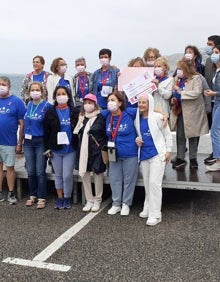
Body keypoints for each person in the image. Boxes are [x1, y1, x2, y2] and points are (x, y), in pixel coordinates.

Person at [135, 93, 172, 226]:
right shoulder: (137, 118)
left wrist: (169, 150)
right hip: (144, 155)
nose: (141, 105)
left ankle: (156, 215)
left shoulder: (158, 117)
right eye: (139, 102)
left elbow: (167, 134)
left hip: (158, 155)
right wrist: (137, 140)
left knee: (155, 184)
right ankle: (148, 206)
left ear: (150, 103)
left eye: (144, 102)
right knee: (147, 184)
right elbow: (138, 135)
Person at [101, 91, 139, 216]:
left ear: (120, 102)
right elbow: (92, 113)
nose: (110, 103)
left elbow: (147, 110)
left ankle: (126, 204)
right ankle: (116, 203)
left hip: (130, 153)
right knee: (114, 179)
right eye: (108, 101)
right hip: (113, 153)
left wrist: (163, 115)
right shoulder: (107, 114)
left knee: (129, 180)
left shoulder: (129, 112)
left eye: (113, 100)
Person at [43, 86, 79, 209]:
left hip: (70, 149)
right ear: (55, 97)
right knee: (58, 175)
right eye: (58, 94)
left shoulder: (75, 111)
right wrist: (47, 148)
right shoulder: (50, 112)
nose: (61, 96)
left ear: (68, 96)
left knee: (67, 175)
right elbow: (46, 132)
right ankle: (60, 197)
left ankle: (67, 197)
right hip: (55, 149)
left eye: (63, 93)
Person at [171, 58, 209, 169]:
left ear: (186, 69)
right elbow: (173, 94)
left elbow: (197, 93)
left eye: (180, 69)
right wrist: (173, 99)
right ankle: (180, 157)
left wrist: (181, 92)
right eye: (177, 69)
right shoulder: (176, 79)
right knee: (180, 135)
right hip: (180, 111)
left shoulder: (196, 78)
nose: (178, 71)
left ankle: (193, 158)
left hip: (193, 112)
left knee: (193, 136)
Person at [74, 93, 107, 212]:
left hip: (97, 150)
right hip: (84, 150)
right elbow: (77, 132)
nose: (88, 105)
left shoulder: (101, 116)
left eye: (90, 103)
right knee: (85, 174)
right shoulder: (82, 117)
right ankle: (89, 199)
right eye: (86, 103)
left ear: (95, 104)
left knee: (98, 175)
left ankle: (98, 199)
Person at [23, 82, 52, 209]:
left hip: (41, 141)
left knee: (40, 171)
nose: (35, 92)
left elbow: (51, 127)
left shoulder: (47, 106)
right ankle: (32, 195)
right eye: (32, 90)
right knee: (30, 171)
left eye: (37, 90)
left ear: (42, 91)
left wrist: (49, 145)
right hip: (28, 141)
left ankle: (41, 197)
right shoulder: (28, 104)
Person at [0, 76, 26, 204]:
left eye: (3, 84)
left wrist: (19, 142)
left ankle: (11, 192)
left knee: (10, 167)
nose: (1, 86)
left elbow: (22, 123)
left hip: (9, 141)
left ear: (9, 86)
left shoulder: (17, 101)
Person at [203, 35, 220, 165]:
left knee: (215, 130)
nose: (213, 54)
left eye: (216, 52)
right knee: (214, 130)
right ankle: (216, 156)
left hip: (217, 99)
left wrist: (215, 93)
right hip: (215, 101)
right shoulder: (214, 66)